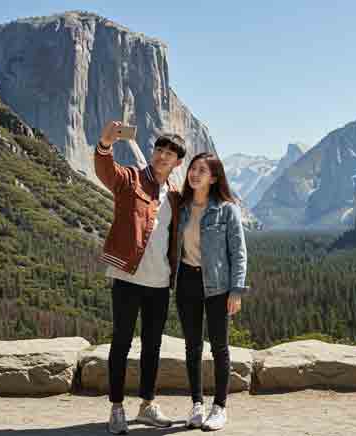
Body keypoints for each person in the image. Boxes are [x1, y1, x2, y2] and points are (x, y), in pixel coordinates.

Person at [94, 121, 186, 434]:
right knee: (120, 342)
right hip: (127, 278)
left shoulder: (174, 195)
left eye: (170, 153)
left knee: (152, 346)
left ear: (177, 162)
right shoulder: (131, 178)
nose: (162, 156)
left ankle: (147, 405)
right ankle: (117, 408)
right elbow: (107, 171)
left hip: (159, 283)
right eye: (159, 149)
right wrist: (106, 143)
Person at [174, 152, 249, 431]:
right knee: (192, 346)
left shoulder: (227, 209)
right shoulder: (181, 207)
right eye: (193, 169)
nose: (194, 174)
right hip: (187, 284)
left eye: (202, 170)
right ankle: (196, 404)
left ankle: (219, 407)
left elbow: (239, 254)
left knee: (219, 347)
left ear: (214, 177)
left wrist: (237, 290)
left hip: (218, 286)